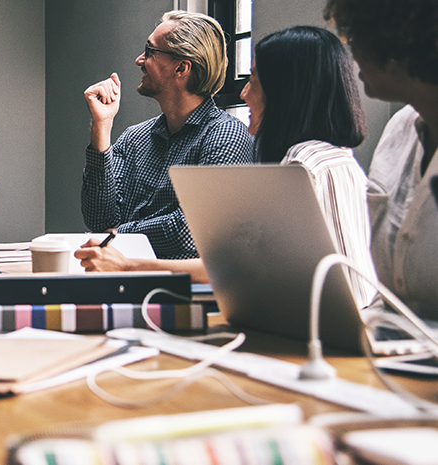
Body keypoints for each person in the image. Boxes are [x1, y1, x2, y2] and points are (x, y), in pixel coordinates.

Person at [77, 26, 379, 310]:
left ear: (285, 93)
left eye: (254, 81)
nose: (244, 94)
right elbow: (246, 263)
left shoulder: (302, 166)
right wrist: (101, 128)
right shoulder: (330, 160)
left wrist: (123, 252)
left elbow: (233, 262)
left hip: (333, 337)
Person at [80, 10, 254, 260]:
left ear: (181, 68)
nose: (139, 60)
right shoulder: (134, 138)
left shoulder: (226, 136)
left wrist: (118, 235)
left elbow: (190, 233)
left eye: (149, 51)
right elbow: (99, 219)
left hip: (179, 293)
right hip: (121, 282)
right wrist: (102, 125)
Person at [325, 0, 438, 320]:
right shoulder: (398, 132)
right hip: (391, 354)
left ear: (396, 39)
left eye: (357, 36)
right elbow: (388, 296)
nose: (353, 53)